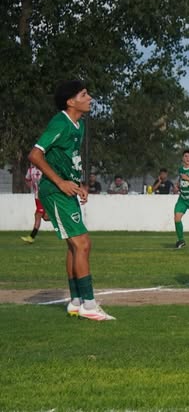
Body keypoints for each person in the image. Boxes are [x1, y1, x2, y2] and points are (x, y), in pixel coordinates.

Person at [27, 80, 115, 320]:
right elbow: (35, 154)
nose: (90, 98)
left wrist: (80, 184)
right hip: (56, 191)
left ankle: (76, 302)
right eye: (84, 94)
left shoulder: (79, 125)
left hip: (66, 190)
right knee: (83, 244)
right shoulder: (60, 122)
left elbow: (71, 159)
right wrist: (60, 183)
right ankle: (89, 304)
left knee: (74, 245)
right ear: (70, 101)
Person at [20, 164, 49, 244]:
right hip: (37, 197)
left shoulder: (45, 169)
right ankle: (62, 220)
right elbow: (27, 180)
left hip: (43, 196)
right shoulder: (31, 170)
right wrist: (33, 186)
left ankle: (31, 237)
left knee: (38, 215)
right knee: (45, 217)